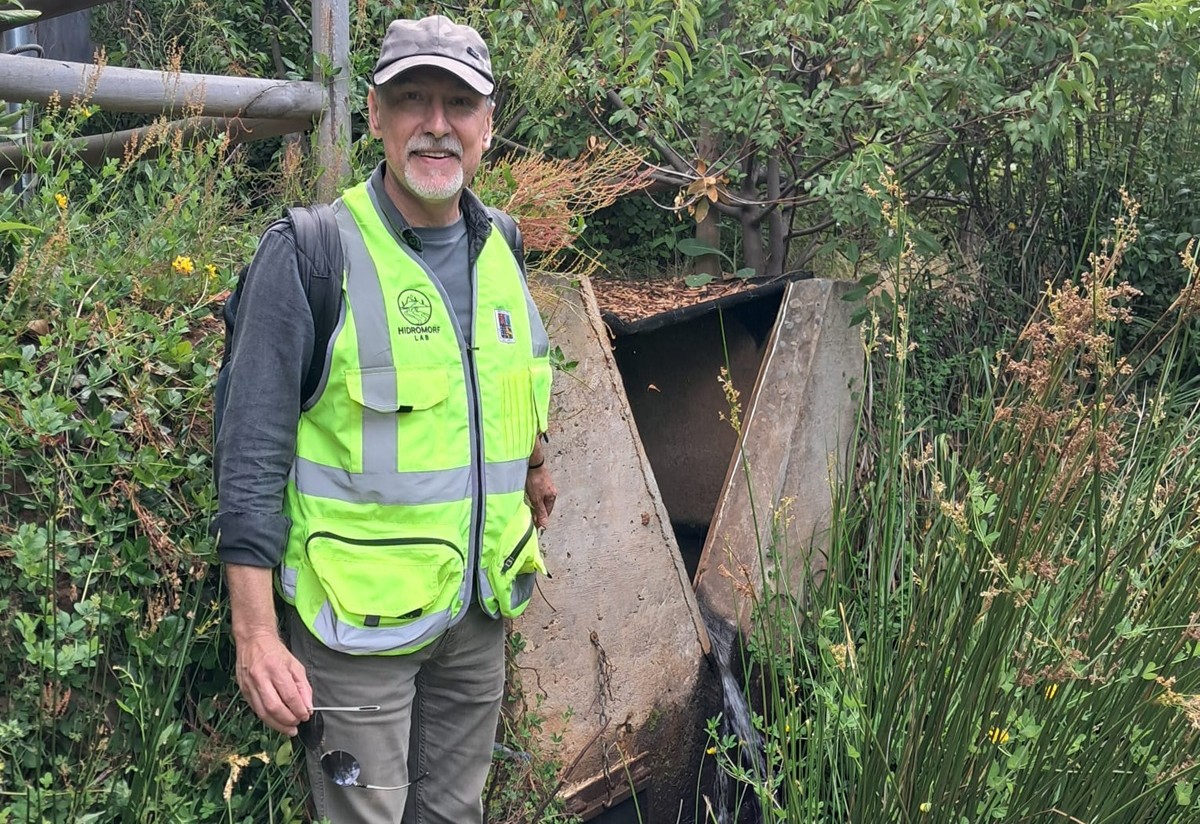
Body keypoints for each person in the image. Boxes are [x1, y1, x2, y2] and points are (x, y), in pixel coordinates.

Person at [211, 15, 557, 823]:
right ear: (374, 114)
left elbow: (511, 387)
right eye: (413, 99)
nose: (437, 125)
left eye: (459, 104)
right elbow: (251, 453)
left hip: (477, 615)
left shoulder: (502, 244)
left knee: (454, 814)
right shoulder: (311, 253)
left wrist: (535, 470)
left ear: (488, 125)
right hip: (355, 629)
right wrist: (255, 633)